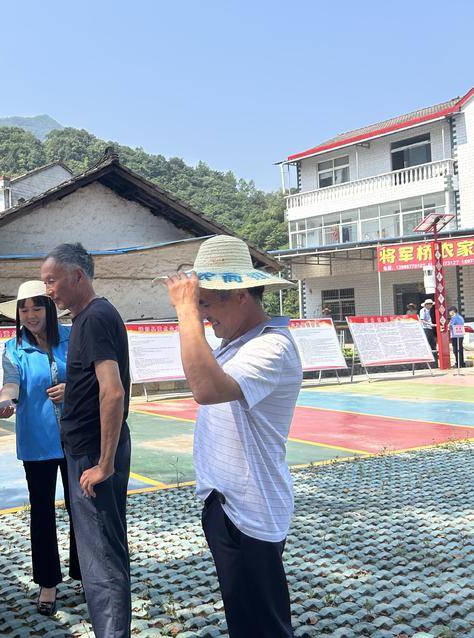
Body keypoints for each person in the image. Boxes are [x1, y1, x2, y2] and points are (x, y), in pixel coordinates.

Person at [163, 235, 301, 638]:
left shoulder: (272, 346)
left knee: (266, 626)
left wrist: (184, 312)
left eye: (207, 303)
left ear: (241, 295)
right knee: (242, 620)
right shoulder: (233, 344)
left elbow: (205, 389)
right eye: (199, 303)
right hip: (224, 504)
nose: (203, 313)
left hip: (254, 510)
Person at [41, 243, 132, 638]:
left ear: (77, 276)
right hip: (90, 449)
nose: (48, 291)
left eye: (52, 281)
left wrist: (104, 463)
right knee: (101, 550)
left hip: (95, 454)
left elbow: (113, 392)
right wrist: (74, 390)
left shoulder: (93, 318)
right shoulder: (88, 318)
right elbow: (98, 383)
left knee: (102, 558)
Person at [0, 280, 81, 614]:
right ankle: (48, 582)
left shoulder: (73, 336)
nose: (30, 315)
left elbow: (90, 375)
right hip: (37, 443)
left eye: (36, 307)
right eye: (24, 309)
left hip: (76, 439)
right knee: (42, 512)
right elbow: (10, 382)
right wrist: (6, 401)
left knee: (81, 509)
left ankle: (85, 572)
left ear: (49, 309)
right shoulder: (13, 347)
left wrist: (71, 389)